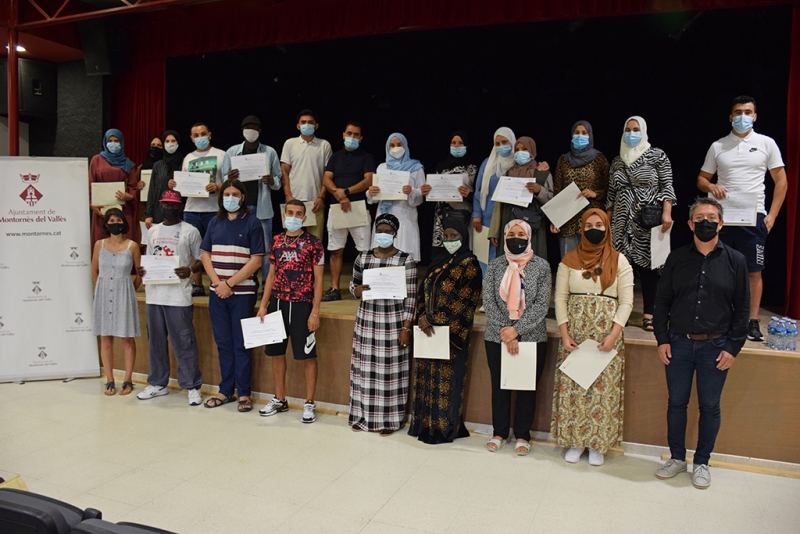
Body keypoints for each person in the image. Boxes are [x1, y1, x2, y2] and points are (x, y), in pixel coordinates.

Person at [653, 197, 749, 489]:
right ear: (690, 223)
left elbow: (743, 308)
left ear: (720, 223)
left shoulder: (736, 261)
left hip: (715, 347)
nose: (705, 221)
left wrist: (733, 348)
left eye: (711, 217)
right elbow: (662, 302)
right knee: (677, 403)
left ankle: (703, 462)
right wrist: (662, 338)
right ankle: (677, 458)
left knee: (709, 406)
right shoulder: (677, 258)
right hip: (678, 344)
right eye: (699, 217)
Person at [696, 95, 787, 342]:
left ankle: (752, 321)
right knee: (717, 269)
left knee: (753, 272)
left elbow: (781, 181)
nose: (742, 117)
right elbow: (701, 179)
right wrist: (711, 186)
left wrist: (773, 215)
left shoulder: (766, 143)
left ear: (755, 116)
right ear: (730, 117)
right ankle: (720, 318)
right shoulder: (718, 146)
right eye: (738, 112)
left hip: (753, 217)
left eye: (748, 112)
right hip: (723, 218)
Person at [551, 209, 634, 466]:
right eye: (588, 225)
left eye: (599, 224)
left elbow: (627, 302)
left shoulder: (620, 261)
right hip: (575, 333)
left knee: (602, 389)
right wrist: (564, 334)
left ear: (607, 228)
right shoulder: (568, 260)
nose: (593, 229)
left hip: (605, 336)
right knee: (575, 387)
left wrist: (613, 335)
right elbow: (561, 298)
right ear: (581, 229)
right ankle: (576, 440)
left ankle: (597, 443)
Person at [408, 210, 482, 444]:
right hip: (427, 331)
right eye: (446, 236)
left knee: (446, 383)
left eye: (454, 236)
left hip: (451, 334)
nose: (450, 240)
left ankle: (444, 429)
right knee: (426, 380)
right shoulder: (438, 260)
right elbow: (424, 291)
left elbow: (465, 301)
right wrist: (421, 317)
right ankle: (423, 425)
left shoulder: (470, 264)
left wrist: (434, 318)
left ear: (464, 236)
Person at [482, 220, 551, 455]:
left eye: (522, 234)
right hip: (496, 335)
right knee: (499, 386)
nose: (517, 237)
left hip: (531, 336)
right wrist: (506, 329)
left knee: (526, 388)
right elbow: (488, 301)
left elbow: (542, 305)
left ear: (529, 237)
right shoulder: (495, 265)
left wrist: (517, 330)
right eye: (512, 234)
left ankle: (522, 435)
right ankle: (499, 432)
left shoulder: (541, 266)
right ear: (504, 237)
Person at [257, 200, 325, 423]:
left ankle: (309, 402)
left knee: (308, 355)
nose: (294, 216)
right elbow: (271, 275)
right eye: (290, 212)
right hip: (278, 303)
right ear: (284, 214)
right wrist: (264, 305)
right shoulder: (276, 241)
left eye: (299, 214)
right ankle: (280, 399)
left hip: (302, 305)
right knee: (277, 353)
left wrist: (315, 311)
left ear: (304, 218)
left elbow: (318, 280)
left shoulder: (314, 243)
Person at [606, 116, 676, 332]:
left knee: (648, 268)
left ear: (643, 131)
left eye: (635, 129)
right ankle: (621, 313)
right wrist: (606, 223)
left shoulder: (657, 155)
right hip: (620, 221)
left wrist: (667, 213)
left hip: (647, 219)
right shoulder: (618, 160)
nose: (631, 133)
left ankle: (649, 313)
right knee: (620, 268)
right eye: (627, 129)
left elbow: (667, 186)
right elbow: (611, 193)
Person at [349, 213, 417, 434]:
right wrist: (355, 291)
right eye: (380, 231)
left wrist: (406, 327)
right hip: (367, 323)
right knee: (365, 372)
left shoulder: (405, 260)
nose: (384, 235)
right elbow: (354, 284)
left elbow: (412, 297)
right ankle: (362, 417)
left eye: (388, 231)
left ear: (395, 234)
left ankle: (390, 421)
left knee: (390, 375)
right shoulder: (363, 258)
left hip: (393, 323)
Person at [200, 179, 265, 413]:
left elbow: (256, 260)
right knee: (223, 343)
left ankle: (244, 393)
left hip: (242, 294)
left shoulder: (253, 223)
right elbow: (205, 254)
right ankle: (225, 390)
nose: (230, 197)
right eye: (226, 193)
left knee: (241, 344)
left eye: (235, 193)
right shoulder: (214, 222)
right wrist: (218, 283)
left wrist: (229, 283)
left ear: (243, 197)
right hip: (217, 293)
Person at [136, 190, 204, 406]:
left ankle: (192, 386)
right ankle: (157, 383)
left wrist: (190, 270)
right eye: (166, 204)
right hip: (154, 295)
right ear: (160, 205)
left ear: (180, 206)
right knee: (155, 342)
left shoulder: (190, 231)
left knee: (184, 342)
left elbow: (203, 259)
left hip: (179, 296)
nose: (170, 207)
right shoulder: (152, 230)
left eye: (174, 204)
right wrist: (142, 271)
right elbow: (151, 257)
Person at [171, 122, 232, 296]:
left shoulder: (221, 154)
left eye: (203, 134)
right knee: (193, 249)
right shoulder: (188, 158)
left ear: (210, 135)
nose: (200, 138)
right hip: (191, 209)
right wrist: (176, 184)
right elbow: (183, 182)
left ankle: (219, 282)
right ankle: (197, 284)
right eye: (196, 136)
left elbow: (231, 181)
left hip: (215, 208)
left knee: (218, 247)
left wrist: (218, 186)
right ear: (191, 138)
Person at [321, 121, 377, 301]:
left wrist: (346, 192)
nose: (352, 137)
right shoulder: (335, 157)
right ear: (343, 134)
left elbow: (369, 180)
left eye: (356, 135)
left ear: (360, 138)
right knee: (336, 249)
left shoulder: (366, 157)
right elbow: (326, 178)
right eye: (349, 134)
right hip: (337, 208)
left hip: (359, 207)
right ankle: (335, 289)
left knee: (364, 251)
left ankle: (365, 288)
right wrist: (340, 195)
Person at [226, 115, 283, 289]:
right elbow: (223, 181)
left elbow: (278, 182)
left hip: (262, 208)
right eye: (247, 127)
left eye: (254, 127)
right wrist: (229, 178)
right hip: (238, 207)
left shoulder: (269, 152)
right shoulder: (232, 152)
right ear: (242, 130)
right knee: (239, 247)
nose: (251, 130)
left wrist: (271, 180)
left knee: (265, 249)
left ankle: (267, 283)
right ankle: (245, 280)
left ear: (260, 131)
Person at [92, 208, 141, 396]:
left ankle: (128, 379)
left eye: (118, 219)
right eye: (111, 220)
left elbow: (139, 273)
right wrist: (102, 288)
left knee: (127, 338)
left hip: (124, 294)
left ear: (124, 222)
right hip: (104, 293)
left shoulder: (133, 246)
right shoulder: (99, 244)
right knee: (105, 338)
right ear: (106, 224)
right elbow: (94, 270)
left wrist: (128, 291)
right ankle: (110, 380)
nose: (115, 222)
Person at [551, 120, 610, 258]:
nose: (580, 136)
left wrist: (595, 194)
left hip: (593, 219)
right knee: (569, 264)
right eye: (576, 133)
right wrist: (555, 218)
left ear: (590, 136)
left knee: (593, 264)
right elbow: (557, 191)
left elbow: (610, 189)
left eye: (584, 133)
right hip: (569, 220)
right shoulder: (563, 160)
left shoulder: (599, 159)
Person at [489, 136, 553, 261]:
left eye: (524, 149)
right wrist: (494, 231)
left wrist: (539, 190)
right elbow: (499, 206)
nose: (520, 153)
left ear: (532, 151)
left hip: (533, 227)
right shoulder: (507, 174)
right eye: (517, 150)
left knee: (532, 264)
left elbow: (552, 202)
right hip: (509, 225)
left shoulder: (543, 174)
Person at [366, 132, 425, 262]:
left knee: (404, 255)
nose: (396, 148)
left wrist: (412, 191)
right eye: (392, 145)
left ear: (406, 146)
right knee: (381, 255)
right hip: (384, 213)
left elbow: (421, 194)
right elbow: (374, 196)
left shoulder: (416, 168)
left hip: (405, 215)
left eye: (399, 144)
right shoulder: (382, 167)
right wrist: (371, 192)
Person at [422, 130, 478, 256]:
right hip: (442, 218)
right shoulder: (441, 166)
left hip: (464, 217)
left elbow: (479, 196)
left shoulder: (473, 168)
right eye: (453, 143)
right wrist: (427, 192)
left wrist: (469, 195)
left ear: (466, 145)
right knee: (441, 256)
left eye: (460, 143)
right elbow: (434, 193)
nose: (456, 146)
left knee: (462, 253)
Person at [281, 109, 333, 241]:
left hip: (316, 202)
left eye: (310, 122)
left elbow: (327, 175)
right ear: (298, 126)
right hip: (293, 201)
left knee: (315, 243)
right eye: (303, 122)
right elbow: (284, 171)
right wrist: (288, 195)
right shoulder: (290, 143)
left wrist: (321, 197)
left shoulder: (324, 145)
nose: (307, 124)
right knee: (292, 242)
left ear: (316, 125)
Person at [473, 127, 515, 276]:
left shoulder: (518, 163)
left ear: (512, 142)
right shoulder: (488, 163)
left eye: (504, 142)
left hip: (509, 217)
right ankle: (489, 295)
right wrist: (477, 213)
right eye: (497, 143)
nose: (501, 146)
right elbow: (479, 190)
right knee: (486, 259)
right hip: (486, 218)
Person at [89, 129, 139, 247]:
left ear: (121, 143)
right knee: (102, 245)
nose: (113, 143)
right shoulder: (96, 160)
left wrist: (130, 196)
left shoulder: (128, 164)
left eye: (116, 141)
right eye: (110, 141)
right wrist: (92, 204)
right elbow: (91, 183)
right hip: (102, 209)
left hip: (123, 210)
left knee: (124, 246)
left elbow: (133, 187)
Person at [145, 130, 183, 228]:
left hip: (180, 212)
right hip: (159, 212)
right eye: (167, 141)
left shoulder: (184, 163)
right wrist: (149, 214)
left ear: (178, 143)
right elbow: (152, 191)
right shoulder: (158, 165)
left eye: (173, 141)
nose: (170, 144)